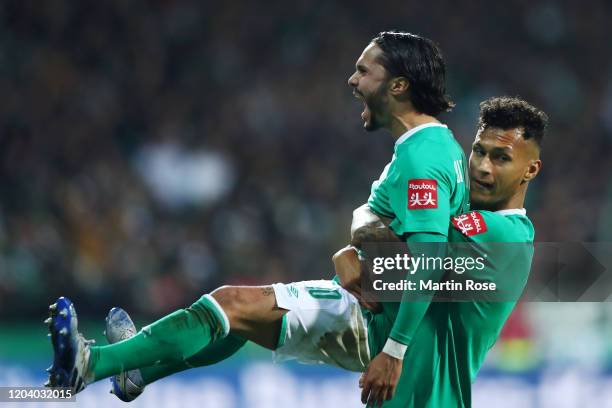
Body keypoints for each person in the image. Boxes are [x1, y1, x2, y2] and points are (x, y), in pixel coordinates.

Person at [44, 30, 469, 399]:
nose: (352, 80)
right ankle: (138, 371)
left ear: (397, 86)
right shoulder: (433, 148)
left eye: (364, 71)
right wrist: (354, 246)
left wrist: (394, 349)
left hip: (384, 323)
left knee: (231, 302)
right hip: (388, 314)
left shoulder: (423, 156)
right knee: (241, 320)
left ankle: (90, 363)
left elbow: (429, 259)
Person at [357, 96, 546, 407]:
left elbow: (387, 242)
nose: (483, 168)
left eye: (501, 158)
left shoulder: (503, 234)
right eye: (479, 152)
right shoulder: (463, 211)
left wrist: (357, 236)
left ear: (530, 170)